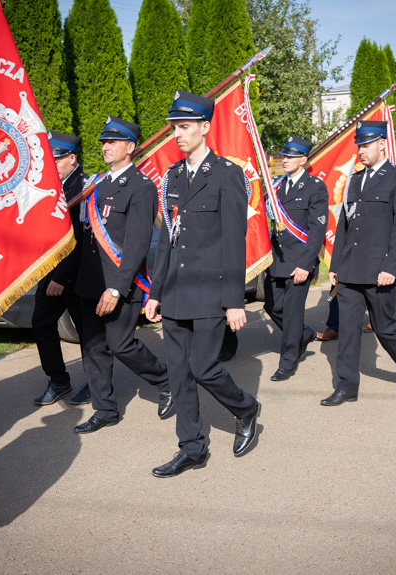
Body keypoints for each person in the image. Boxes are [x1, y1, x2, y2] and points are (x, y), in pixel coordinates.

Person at [145, 90, 260, 477]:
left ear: (205, 127)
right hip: (176, 292)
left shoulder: (228, 176)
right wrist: (155, 292)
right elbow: (168, 242)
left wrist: (235, 301)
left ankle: (245, 409)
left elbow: (234, 242)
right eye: (174, 128)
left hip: (210, 293)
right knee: (179, 372)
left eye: (184, 127)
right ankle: (191, 447)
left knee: (205, 367)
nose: (177, 134)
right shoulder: (173, 176)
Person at [72, 116, 172, 433]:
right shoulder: (96, 185)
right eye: (103, 141)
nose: (105, 146)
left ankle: (166, 379)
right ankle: (105, 410)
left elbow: (137, 243)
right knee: (92, 347)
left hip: (119, 284)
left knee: (120, 344)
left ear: (130, 147)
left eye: (112, 141)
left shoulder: (141, 188)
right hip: (89, 281)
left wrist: (116, 288)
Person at [322, 119, 396, 406]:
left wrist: (391, 267)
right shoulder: (354, 179)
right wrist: (335, 266)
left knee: (384, 326)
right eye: (359, 145)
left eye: (366, 145)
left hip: (380, 270)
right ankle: (347, 384)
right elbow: (344, 226)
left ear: (382, 143)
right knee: (348, 329)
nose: (361, 150)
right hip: (350, 269)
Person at [31, 132, 92, 407]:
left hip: (76, 274)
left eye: (55, 160)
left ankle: (96, 383)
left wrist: (62, 277)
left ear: (71, 158)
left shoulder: (85, 186)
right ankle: (58, 380)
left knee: (86, 331)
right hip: (50, 271)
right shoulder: (50, 186)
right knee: (41, 323)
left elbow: (80, 237)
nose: (50, 166)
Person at [263, 135, 328, 381]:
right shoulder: (276, 186)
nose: (285, 159)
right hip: (276, 260)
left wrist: (305, 264)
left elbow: (316, 231)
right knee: (272, 306)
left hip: (299, 261)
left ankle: (288, 361)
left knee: (291, 312)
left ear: (303, 159)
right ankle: (303, 333)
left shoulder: (315, 187)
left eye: (290, 156)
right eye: (284, 155)